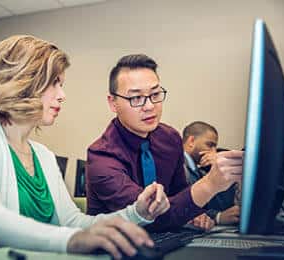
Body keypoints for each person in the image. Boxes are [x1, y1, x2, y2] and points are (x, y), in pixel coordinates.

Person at [0, 36, 171, 260]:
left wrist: (137, 213)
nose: (62, 95)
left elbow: (73, 223)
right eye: (54, 84)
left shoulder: (43, 155)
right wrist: (72, 241)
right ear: (21, 82)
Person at [86, 54, 243, 232]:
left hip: (165, 239)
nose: (150, 106)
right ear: (113, 103)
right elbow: (151, 215)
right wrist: (209, 184)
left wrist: (193, 214)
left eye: (155, 94)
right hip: (115, 247)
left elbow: (180, 193)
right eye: (136, 98)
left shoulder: (170, 138)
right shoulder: (101, 157)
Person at [182, 121, 240, 225]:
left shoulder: (199, 170)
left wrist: (214, 169)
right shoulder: (180, 166)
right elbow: (183, 205)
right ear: (191, 141)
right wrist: (218, 217)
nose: (213, 151)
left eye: (215, 147)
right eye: (210, 145)